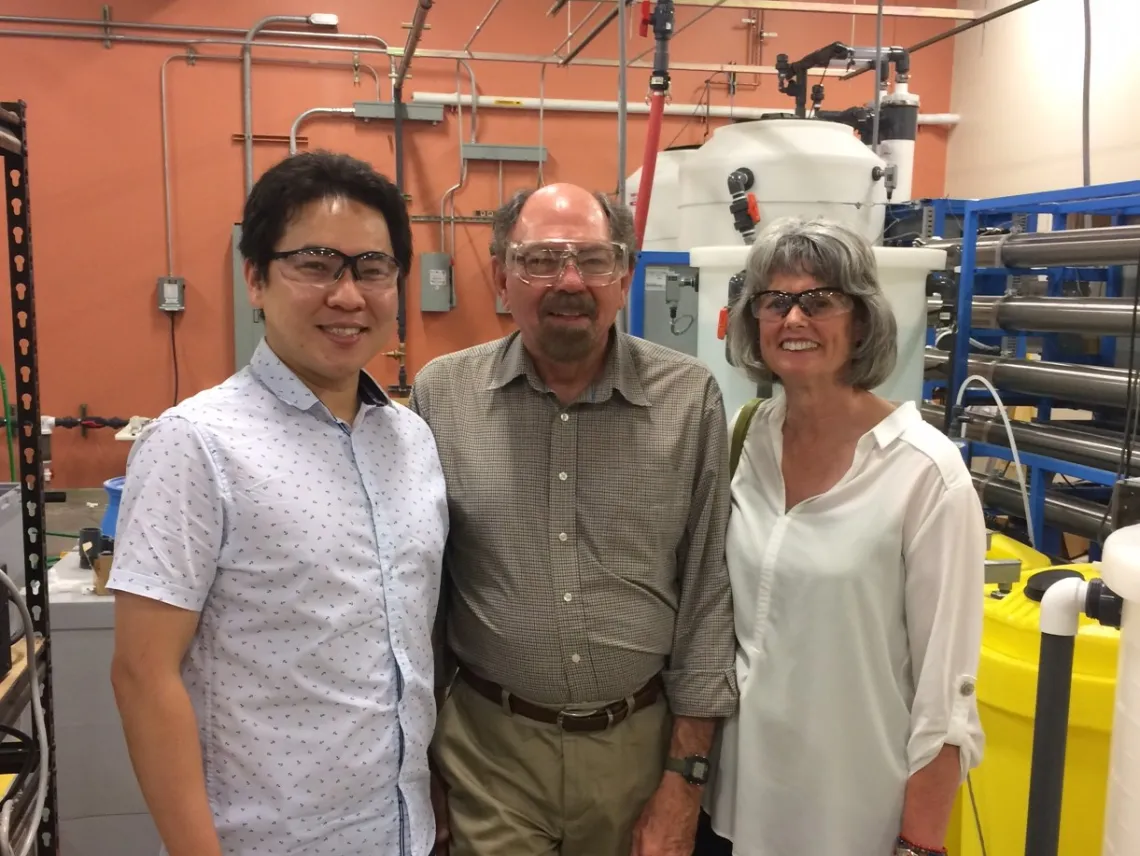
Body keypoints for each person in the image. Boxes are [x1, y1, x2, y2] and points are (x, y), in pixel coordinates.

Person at [108, 151, 448, 856]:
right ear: (255, 278)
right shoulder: (195, 446)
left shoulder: (412, 441)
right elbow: (144, 675)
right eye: (317, 264)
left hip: (402, 835)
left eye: (372, 268)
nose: (349, 295)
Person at [408, 183, 737, 856]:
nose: (568, 280)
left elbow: (708, 595)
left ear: (624, 276)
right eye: (540, 259)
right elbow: (420, 594)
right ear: (501, 276)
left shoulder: (689, 400)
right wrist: (422, 766)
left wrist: (685, 780)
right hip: (489, 755)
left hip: (640, 759)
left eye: (592, 258)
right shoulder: (441, 396)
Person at [696, 217, 986, 856]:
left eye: (820, 300)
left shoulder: (925, 474)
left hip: (851, 820)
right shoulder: (749, 441)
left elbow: (947, 699)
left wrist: (919, 844)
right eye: (775, 301)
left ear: (862, 320)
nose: (794, 320)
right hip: (733, 808)